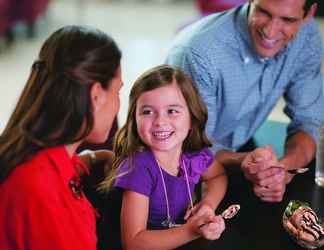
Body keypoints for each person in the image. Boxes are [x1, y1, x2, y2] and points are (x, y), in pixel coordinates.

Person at [166, 0, 324, 203]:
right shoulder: (199, 53)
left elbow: (308, 121)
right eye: (264, 12)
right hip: (181, 169)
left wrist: (283, 169)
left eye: (287, 19)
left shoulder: (306, 35)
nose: (271, 30)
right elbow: (189, 150)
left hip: (238, 148)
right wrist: (245, 161)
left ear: (309, 13)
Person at [0, 25, 122, 250]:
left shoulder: (35, 151)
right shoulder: (38, 193)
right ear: (96, 95)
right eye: (118, 92)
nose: (118, 105)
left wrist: (95, 157)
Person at [100, 65, 227, 250]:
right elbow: (133, 242)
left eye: (172, 111)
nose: (160, 121)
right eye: (147, 112)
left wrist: (208, 204)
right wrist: (191, 231)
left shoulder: (193, 155)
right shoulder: (140, 167)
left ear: (191, 118)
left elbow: (218, 176)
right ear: (134, 120)